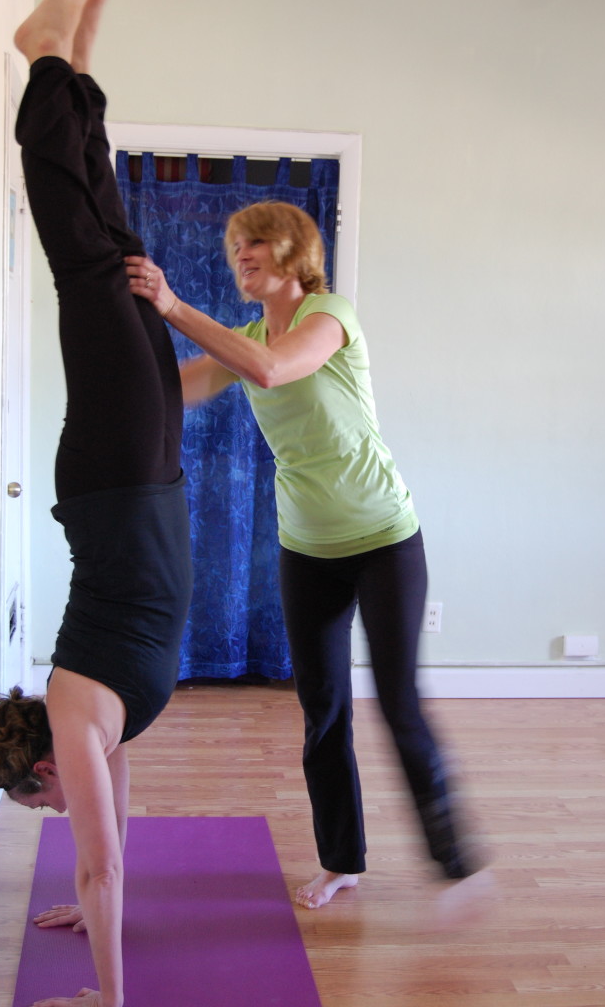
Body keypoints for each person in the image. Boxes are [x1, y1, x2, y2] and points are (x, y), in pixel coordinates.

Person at [125, 200, 484, 911]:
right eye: (234, 248)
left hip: (384, 538)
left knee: (399, 701)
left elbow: (267, 370)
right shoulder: (247, 336)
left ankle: (455, 859)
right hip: (307, 547)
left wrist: (170, 304)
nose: (241, 255)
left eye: (255, 241)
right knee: (322, 711)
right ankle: (341, 861)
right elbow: (179, 389)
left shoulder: (331, 317)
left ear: (293, 249)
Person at [0, 0, 192, 1005]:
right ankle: (82, 27)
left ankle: (39, 62)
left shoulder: (74, 716)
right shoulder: (101, 733)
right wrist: (94, 894)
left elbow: (97, 859)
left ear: (38, 774)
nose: (64, 813)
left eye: (43, 809)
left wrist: (108, 995)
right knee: (127, 262)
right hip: (142, 484)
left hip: (112, 480)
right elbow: (112, 842)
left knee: (89, 270)